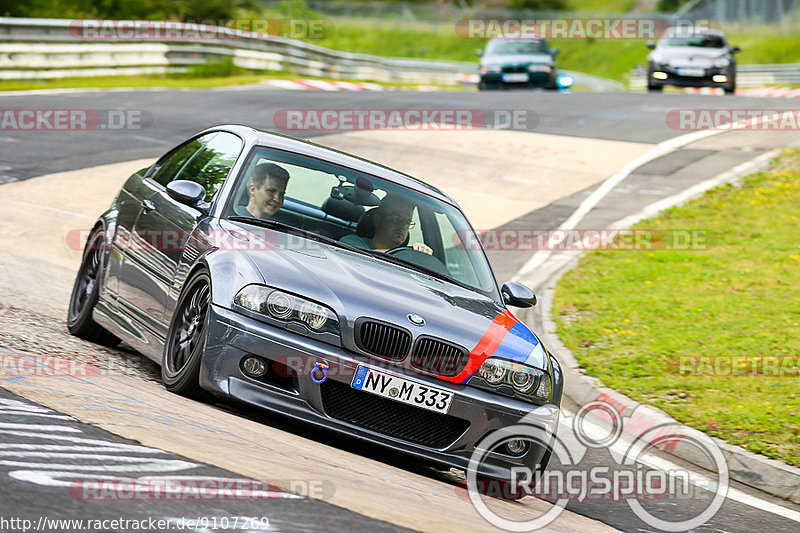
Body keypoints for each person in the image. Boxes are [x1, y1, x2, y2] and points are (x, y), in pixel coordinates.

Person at [341, 193, 433, 255]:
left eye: (407, 222)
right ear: (378, 220)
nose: (403, 226)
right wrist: (408, 254)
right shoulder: (351, 241)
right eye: (397, 219)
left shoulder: (408, 255)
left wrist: (420, 253)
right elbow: (360, 255)